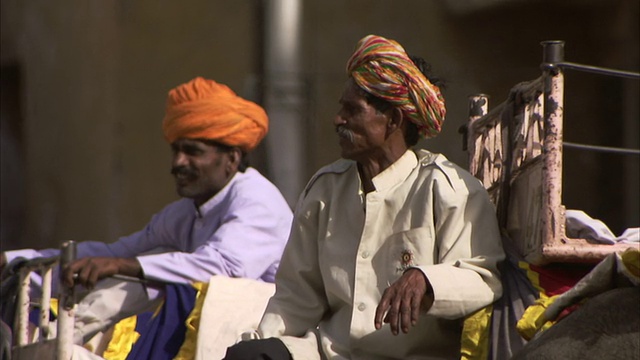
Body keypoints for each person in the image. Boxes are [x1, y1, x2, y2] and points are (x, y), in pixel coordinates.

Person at [224, 35, 506, 360]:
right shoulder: (325, 190)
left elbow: (484, 278)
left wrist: (427, 279)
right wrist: (259, 345)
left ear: (393, 121)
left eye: (352, 110)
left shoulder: (447, 188)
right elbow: (296, 296)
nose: (337, 119)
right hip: (328, 353)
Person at [1, 77, 293, 345]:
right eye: (175, 150)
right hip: (202, 333)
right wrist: (14, 261)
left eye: (192, 152)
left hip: (255, 337)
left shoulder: (257, 201)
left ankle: (58, 340)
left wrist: (124, 266)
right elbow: (115, 254)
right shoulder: (184, 213)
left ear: (231, 158)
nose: (177, 162)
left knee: (141, 277)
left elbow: (222, 268)